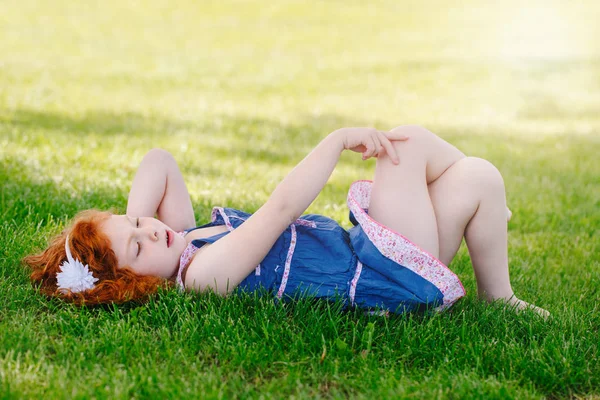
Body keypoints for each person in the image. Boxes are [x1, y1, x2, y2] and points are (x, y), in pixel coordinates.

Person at [24, 125, 549, 317]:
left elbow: (159, 159)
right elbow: (280, 210)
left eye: (136, 223)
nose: (149, 229)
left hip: (368, 247)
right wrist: (337, 140)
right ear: (138, 282)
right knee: (402, 150)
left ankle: (496, 294)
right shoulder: (205, 274)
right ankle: (485, 226)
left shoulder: (178, 239)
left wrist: (128, 226)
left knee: (478, 177)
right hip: (383, 275)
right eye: (139, 247)